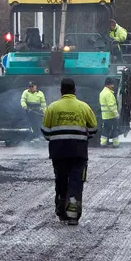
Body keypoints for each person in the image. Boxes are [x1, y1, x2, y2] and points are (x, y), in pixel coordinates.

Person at [41, 78, 98, 226]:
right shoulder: (84, 107)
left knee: (61, 179)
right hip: (78, 152)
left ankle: (61, 212)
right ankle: (72, 215)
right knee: (76, 181)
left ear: (61, 91)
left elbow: (45, 131)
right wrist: (83, 137)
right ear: (74, 90)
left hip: (58, 152)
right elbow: (93, 128)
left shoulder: (52, 108)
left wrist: (56, 139)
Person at [99, 77, 120, 147]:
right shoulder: (109, 94)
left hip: (105, 116)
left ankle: (103, 143)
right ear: (108, 85)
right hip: (111, 116)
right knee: (114, 129)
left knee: (105, 130)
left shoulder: (102, 93)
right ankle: (116, 143)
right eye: (112, 84)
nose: (113, 86)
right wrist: (116, 113)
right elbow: (111, 105)